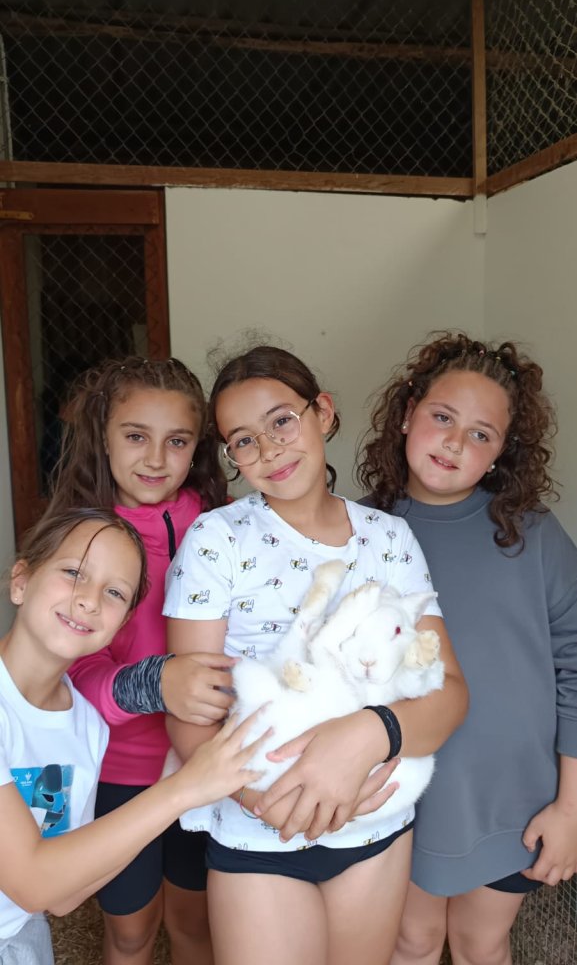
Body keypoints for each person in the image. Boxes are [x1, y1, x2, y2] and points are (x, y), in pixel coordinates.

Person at [163, 344, 468, 965]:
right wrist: (264, 801)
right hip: (260, 832)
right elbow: (189, 712)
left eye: (281, 420)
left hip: (375, 827)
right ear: (230, 456)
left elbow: (449, 695)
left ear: (322, 413)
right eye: (243, 441)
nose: (269, 449)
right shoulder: (216, 539)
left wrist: (366, 735)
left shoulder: (389, 538)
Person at [356, 331, 577, 965]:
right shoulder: (360, 532)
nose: (455, 442)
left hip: (515, 798)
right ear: (408, 413)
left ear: (503, 451)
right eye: (443, 417)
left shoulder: (533, 534)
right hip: (401, 792)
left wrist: (570, 807)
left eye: (481, 433)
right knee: (413, 940)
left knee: (482, 943)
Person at [0, 507, 267, 965]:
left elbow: (62, 896)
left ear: (121, 625)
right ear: (20, 581)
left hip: (19, 934)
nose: (89, 600)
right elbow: (34, 882)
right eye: (73, 573)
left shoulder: (87, 726)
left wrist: (175, 788)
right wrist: (184, 789)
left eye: (114, 593)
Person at [47, 357, 234, 965]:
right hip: (117, 772)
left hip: (203, 759)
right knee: (131, 931)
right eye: (135, 436)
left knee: (195, 924)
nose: (155, 459)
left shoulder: (222, 524)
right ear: (103, 437)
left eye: (176, 441)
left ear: (196, 448)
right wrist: (154, 684)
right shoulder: (81, 538)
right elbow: (66, 674)